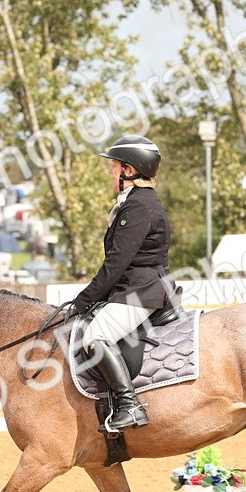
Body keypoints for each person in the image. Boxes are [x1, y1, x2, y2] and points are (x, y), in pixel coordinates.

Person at [71, 135, 172, 431]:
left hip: (141, 291)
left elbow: (117, 263)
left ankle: (129, 405)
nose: (110, 172)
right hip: (137, 288)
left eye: (114, 167)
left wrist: (84, 299)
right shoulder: (137, 203)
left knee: (94, 336)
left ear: (128, 170)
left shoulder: (139, 207)